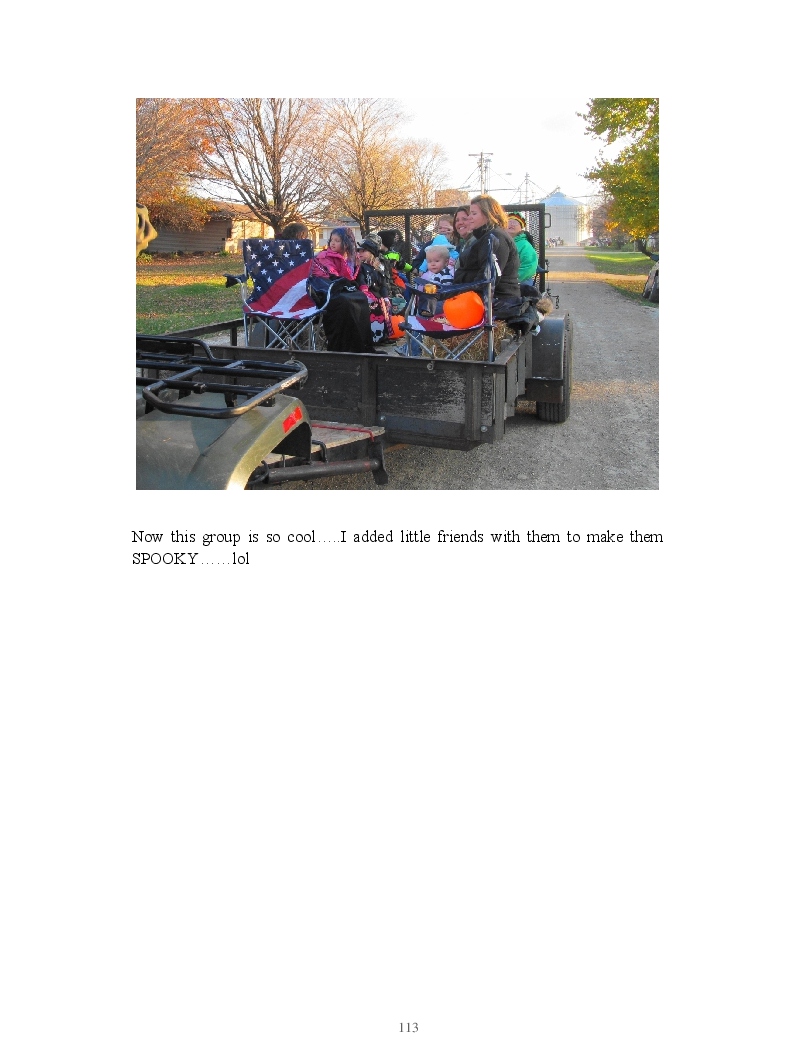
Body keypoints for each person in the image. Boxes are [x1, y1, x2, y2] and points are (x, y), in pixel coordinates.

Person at [307, 227, 376, 353]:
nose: (332, 243)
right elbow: (332, 277)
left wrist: (364, 290)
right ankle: (342, 347)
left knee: (361, 298)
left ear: (346, 243)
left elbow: (359, 277)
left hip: (343, 290)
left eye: (337, 240)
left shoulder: (352, 258)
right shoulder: (325, 256)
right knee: (346, 302)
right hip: (326, 292)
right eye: (331, 240)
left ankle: (362, 345)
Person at [454, 195, 522, 318]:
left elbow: (488, 279)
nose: (469, 217)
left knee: (434, 309)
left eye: (474, 213)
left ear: (488, 214)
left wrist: (457, 289)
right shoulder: (485, 237)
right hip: (477, 298)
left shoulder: (495, 238)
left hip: (499, 304)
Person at [355, 235, 394, 345]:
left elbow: (383, 284)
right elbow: (361, 280)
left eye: (363, 250)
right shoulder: (360, 267)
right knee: (375, 309)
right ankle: (372, 337)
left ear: (372, 252)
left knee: (385, 307)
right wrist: (364, 290)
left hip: (378, 296)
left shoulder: (379, 268)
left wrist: (385, 297)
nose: (360, 253)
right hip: (366, 295)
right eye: (359, 250)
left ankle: (384, 336)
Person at [418, 244, 455, 316]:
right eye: (429, 261)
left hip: (443, 302)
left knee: (425, 307)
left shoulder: (445, 275)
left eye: (437, 261)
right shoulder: (434, 274)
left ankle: (424, 317)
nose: (433, 264)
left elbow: (446, 291)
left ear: (446, 262)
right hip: (434, 300)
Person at [506, 213, 539, 283]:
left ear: (521, 227)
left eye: (515, 222)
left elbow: (528, 267)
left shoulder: (525, 245)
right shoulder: (500, 241)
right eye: (509, 222)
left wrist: (510, 280)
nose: (511, 224)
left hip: (520, 282)